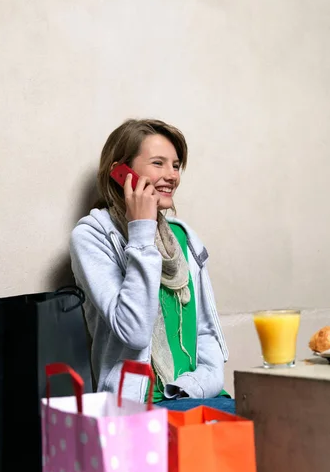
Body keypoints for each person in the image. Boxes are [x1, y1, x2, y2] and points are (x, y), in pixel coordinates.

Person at [70, 119, 235, 414]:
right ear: (120, 172)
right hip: (137, 406)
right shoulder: (91, 236)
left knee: (271, 423)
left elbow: (206, 331)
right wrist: (142, 231)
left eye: (175, 165)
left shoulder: (183, 238)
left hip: (196, 393)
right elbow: (133, 331)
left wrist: (194, 386)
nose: (171, 176)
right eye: (158, 163)